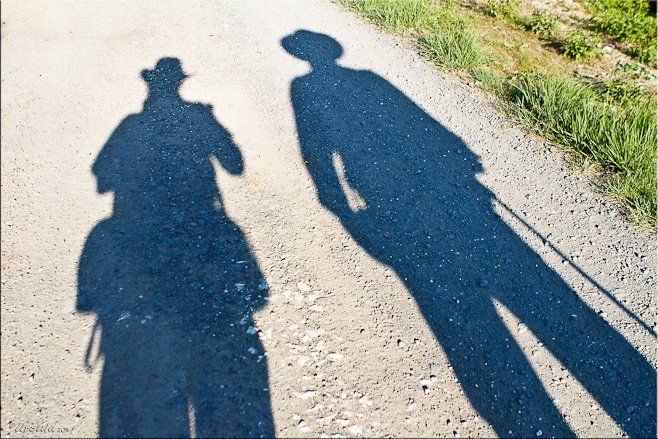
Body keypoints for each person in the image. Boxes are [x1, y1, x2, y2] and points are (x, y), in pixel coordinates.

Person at [283, 30, 656, 438]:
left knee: (467, 330)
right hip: (451, 202)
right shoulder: (360, 79)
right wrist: (462, 156)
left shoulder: (308, 86)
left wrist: (338, 204)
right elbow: (424, 125)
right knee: (555, 301)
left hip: (383, 203)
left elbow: (323, 149)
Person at [77, 58, 274, 438]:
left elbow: (102, 180)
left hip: (142, 219)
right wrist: (214, 127)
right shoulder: (201, 118)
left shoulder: (131, 125)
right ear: (180, 84)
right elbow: (235, 165)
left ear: (152, 86)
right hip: (201, 213)